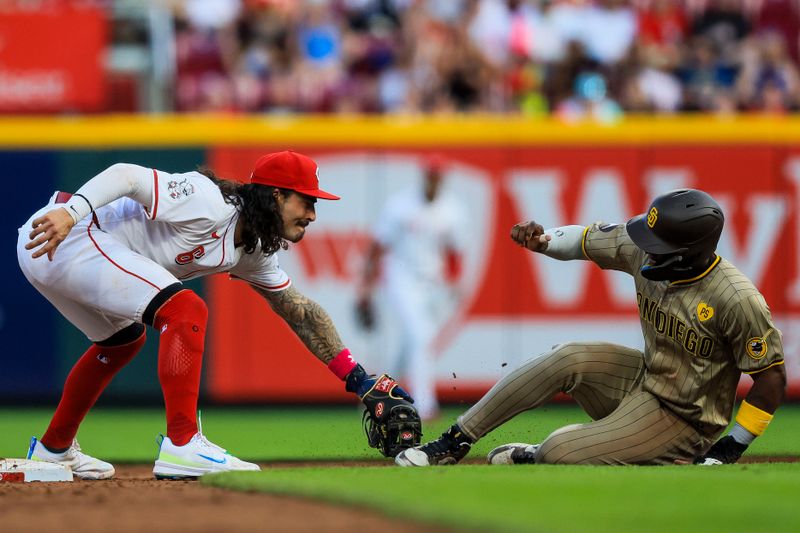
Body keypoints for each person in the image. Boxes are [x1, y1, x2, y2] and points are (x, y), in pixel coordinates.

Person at [17, 150, 415, 480]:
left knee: (122, 341)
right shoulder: (210, 201)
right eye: (307, 200)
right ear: (276, 195)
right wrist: (72, 213)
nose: (312, 213)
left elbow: (300, 313)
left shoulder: (255, 249)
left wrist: (357, 377)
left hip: (57, 248)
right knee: (185, 308)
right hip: (64, 234)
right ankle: (183, 443)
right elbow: (126, 175)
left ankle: (55, 448)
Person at [395, 188, 786, 467]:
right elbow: (584, 239)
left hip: (684, 419)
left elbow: (771, 379)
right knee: (569, 357)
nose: (646, 247)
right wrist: (545, 240)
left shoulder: (736, 298)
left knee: (559, 452)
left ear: (688, 253)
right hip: (644, 380)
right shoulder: (643, 246)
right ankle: (454, 441)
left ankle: (541, 454)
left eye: (659, 244)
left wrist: (729, 448)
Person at [356, 156, 464, 420]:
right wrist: (365, 288)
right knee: (421, 335)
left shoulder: (452, 208)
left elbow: (455, 250)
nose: (434, 181)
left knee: (412, 344)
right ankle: (425, 406)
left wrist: (455, 281)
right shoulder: (401, 205)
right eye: (431, 176)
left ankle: (376, 392)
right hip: (400, 279)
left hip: (433, 283)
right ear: (424, 177)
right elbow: (378, 246)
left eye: (438, 177)